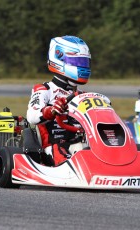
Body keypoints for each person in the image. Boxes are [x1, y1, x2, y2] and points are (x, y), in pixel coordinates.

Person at [26, 35, 91, 166]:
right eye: (78, 62)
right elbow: (32, 117)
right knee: (70, 159)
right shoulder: (44, 89)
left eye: (85, 63)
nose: (83, 67)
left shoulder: (84, 96)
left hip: (82, 143)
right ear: (59, 59)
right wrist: (51, 110)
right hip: (55, 145)